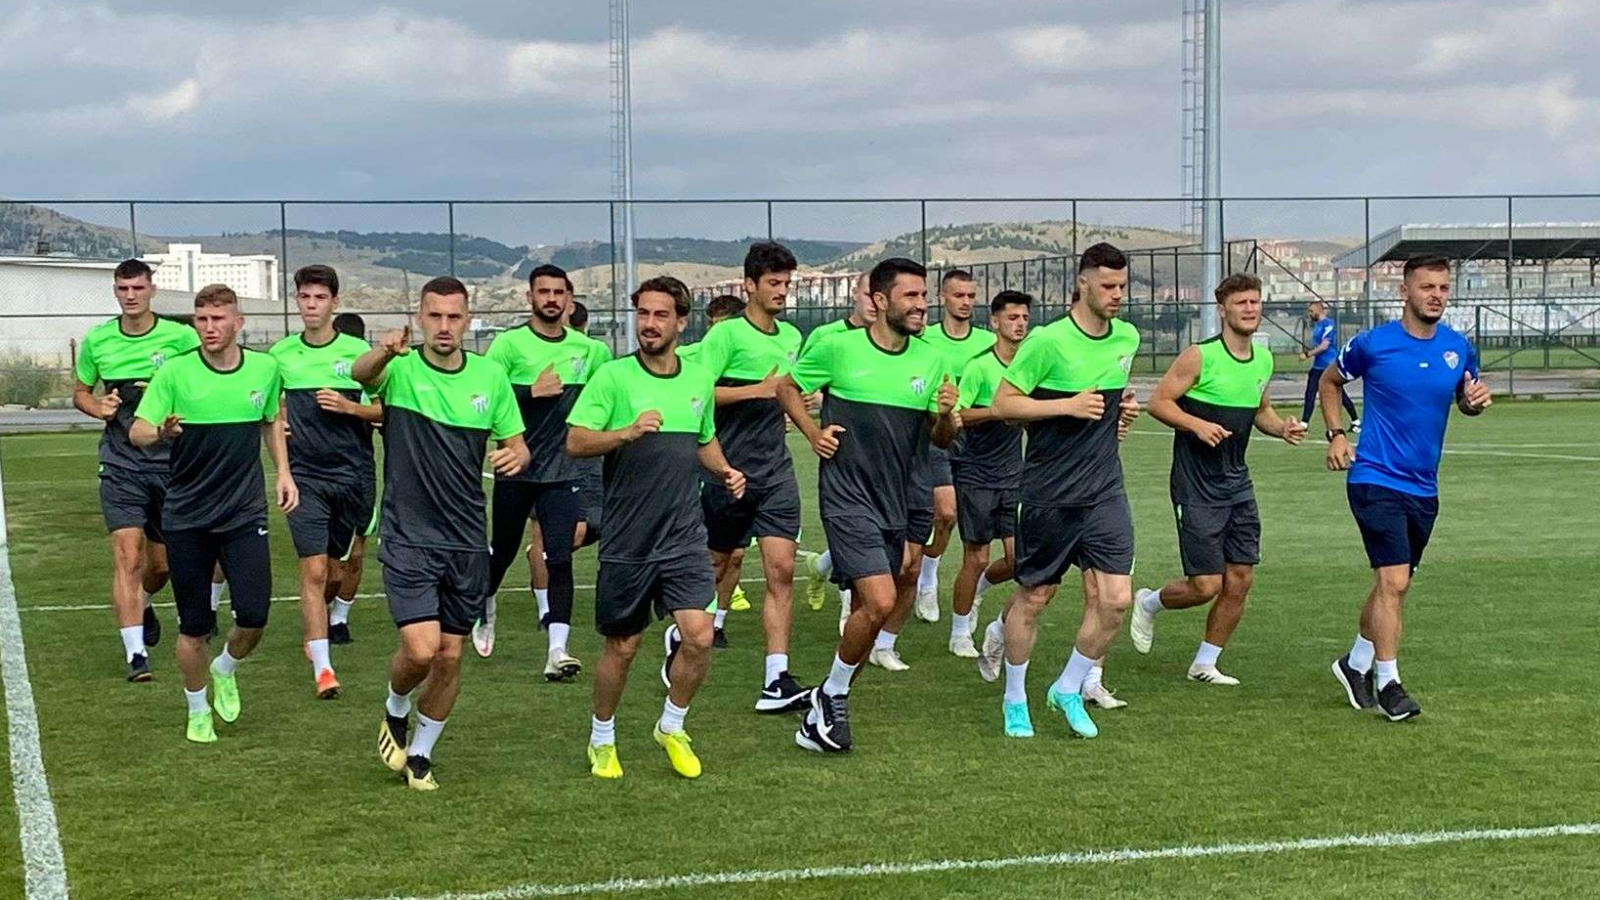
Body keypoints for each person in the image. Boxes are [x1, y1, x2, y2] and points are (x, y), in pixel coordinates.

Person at [777, 258, 959, 753]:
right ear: (880, 301)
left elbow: (941, 439)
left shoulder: (932, 360)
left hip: (897, 499)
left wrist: (946, 415)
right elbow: (787, 387)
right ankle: (831, 696)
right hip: (847, 496)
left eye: (924, 296)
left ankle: (824, 710)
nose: (922, 305)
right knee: (880, 601)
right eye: (910, 296)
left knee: (868, 610)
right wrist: (812, 433)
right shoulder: (837, 347)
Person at [567, 276, 745, 780]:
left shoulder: (697, 380)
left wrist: (724, 470)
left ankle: (672, 725)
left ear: (681, 322)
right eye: (642, 314)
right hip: (629, 538)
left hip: (684, 535)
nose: (648, 324)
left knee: (700, 636)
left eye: (660, 315)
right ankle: (602, 736)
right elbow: (576, 441)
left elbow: (702, 438)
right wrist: (625, 432)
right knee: (623, 647)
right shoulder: (613, 377)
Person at [357, 276, 529, 791]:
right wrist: (383, 351)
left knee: (451, 657)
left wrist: (516, 456)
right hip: (408, 535)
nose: (444, 326)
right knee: (420, 650)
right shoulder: (400, 370)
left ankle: (421, 754)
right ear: (420, 318)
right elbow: (360, 373)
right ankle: (396, 706)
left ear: (468, 320)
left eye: (454, 317)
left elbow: (518, 444)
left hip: (466, 540)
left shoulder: (490, 377)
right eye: (435, 316)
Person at [1323, 254, 1490, 722]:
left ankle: (1354, 662)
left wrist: (1475, 402)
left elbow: (1466, 400)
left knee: (1394, 586)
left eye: (1443, 288)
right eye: (1426, 287)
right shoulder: (1373, 344)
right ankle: (1389, 683)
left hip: (1423, 487)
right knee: (1393, 581)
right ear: (1404, 291)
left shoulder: (1458, 348)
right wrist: (1336, 434)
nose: (1436, 295)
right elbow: (1330, 382)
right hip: (1374, 478)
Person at [130, 284, 296, 744]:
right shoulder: (175, 372)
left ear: (238, 323)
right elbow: (138, 431)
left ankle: (225, 668)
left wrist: (284, 472)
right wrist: (160, 432)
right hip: (186, 518)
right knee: (194, 626)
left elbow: (270, 421)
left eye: (218, 319)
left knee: (255, 617)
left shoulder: (265, 369)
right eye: (201, 319)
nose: (208, 327)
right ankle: (197, 709)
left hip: (244, 514)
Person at [990, 243, 1141, 741]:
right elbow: (1004, 404)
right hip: (1048, 494)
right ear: (1082, 283)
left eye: (1122, 286)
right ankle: (1015, 698)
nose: (1117, 295)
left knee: (1116, 600)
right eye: (1107, 286)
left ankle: (1068, 687)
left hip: (1105, 491)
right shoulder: (1047, 342)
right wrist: (1066, 406)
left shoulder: (1127, 337)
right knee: (1035, 598)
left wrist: (1122, 411)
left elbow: (1112, 401)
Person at [1130, 273, 1307, 684]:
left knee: (1241, 578)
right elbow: (1158, 402)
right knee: (1206, 585)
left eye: (1255, 302)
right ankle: (1150, 602)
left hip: (1237, 484)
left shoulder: (1262, 360)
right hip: (1195, 485)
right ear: (1222, 309)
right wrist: (1196, 425)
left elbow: (1260, 410)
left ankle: (1204, 664)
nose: (1250, 309)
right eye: (1241, 302)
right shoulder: (1199, 356)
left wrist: (1281, 428)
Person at [693, 243, 812, 713]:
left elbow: (787, 392)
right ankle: (684, 638)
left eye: (787, 283)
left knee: (781, 570)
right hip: (728, 470)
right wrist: (756, 390)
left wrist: (803, 407)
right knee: (717, 565)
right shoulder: (725, 336)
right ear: (749, 285)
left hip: (775, 471)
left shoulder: (792, 337)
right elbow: (697, 393)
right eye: (774, 283)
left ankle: (775, 679)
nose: (782, 291)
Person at [475, 265, 605, 682]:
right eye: (543, 291)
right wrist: (530, 392)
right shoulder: (508, 345)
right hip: (518, 469)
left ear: (569, 298)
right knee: (504, 549)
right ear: (529, 297)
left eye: (558, 292)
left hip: (565, 472)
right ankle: (485, 603)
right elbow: (485, 398)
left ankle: (557, 650)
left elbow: (606, 399)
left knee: (559, 557)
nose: (551, 298)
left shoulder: (591, 351)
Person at [73, 259, 202, 681]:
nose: (130, 296)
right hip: (121, 463)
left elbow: (201, 381)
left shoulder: (181, 338)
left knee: (161, 566)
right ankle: (135, 656)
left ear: (152, 290)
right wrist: (98, 407)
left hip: (171, 464)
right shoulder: (98, 340)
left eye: (137, 288)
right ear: (115, 291)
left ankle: (144, 605)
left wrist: (171, 395)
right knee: (128, 555)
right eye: (123, 288)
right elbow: (80, 392)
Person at [269, 266, 381, 699]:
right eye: (304, 297)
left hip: (353, 475)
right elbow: (267, 409)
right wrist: (280, 422)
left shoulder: (358, 353)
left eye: (319, 297)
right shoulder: (281, 354)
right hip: (305, 478)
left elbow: (387, 411)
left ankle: (328, 621)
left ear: (334, 302)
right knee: (314, 570)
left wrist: (350, 408)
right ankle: (324, 668)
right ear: (297, 301)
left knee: (340, 569)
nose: (311, 305)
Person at [950, 291, 1029, 661]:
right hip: (976, 475)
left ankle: (979, 591)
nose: (1020, 324)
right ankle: (959, 631)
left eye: (1024, 317)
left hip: (1015, 475)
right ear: (995, 322)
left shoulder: (1028, 365)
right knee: (976, 557)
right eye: (1012, 317)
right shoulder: (980, 367)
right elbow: (958, 416)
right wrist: (997, 412)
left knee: (1018, 560)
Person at [913, 269, 995, 623]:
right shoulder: (926, 338)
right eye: (958, 295)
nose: (965, 302)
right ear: (942, 297)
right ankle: (928, 579)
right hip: (936, 435)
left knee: (969, 530)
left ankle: (963, 602)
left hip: (977, 443)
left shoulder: (987, 341)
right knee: (945, 513)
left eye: (971, 296)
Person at [801, 272, 878, 621]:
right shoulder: (827, 336)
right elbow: (800, 386)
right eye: (867, 294)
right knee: (857, 525)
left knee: (877, 530)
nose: (873, 302)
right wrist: (818, 410)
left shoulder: (898, 341)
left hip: (888, 452)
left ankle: (820, 566)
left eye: (879, 295)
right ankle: (851, 613)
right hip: (843, 452)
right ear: (854, 295)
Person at [675, 294, 752, 624]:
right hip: (697, 464)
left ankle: (716, 622)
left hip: (740, 465)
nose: (716, 335)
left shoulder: (750, 356)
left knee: (736, 554)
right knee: (705, 550)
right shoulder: (689, 357)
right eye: (713, 327)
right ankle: (690, 615)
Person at [326, 311, 378, 644]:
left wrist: (351, 408)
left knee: (357, 552)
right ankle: (321, 611)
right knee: (327, 561)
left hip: (360, 474)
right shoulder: (318, 369)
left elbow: (383, 410)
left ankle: (339, 619)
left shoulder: (369, 375)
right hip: (318, 475)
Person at [1300, 301, 1359, 427]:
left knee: (1340, 394)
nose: (1309, 314)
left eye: (1311, 311)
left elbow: (1324, 345)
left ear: (1319, 310)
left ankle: (1355, 421)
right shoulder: (1317, 325)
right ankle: (1304, 423)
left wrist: (1308, 354)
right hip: (1318, 365)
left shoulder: (1329, 325)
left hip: (1329, 365)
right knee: (1310, 393)